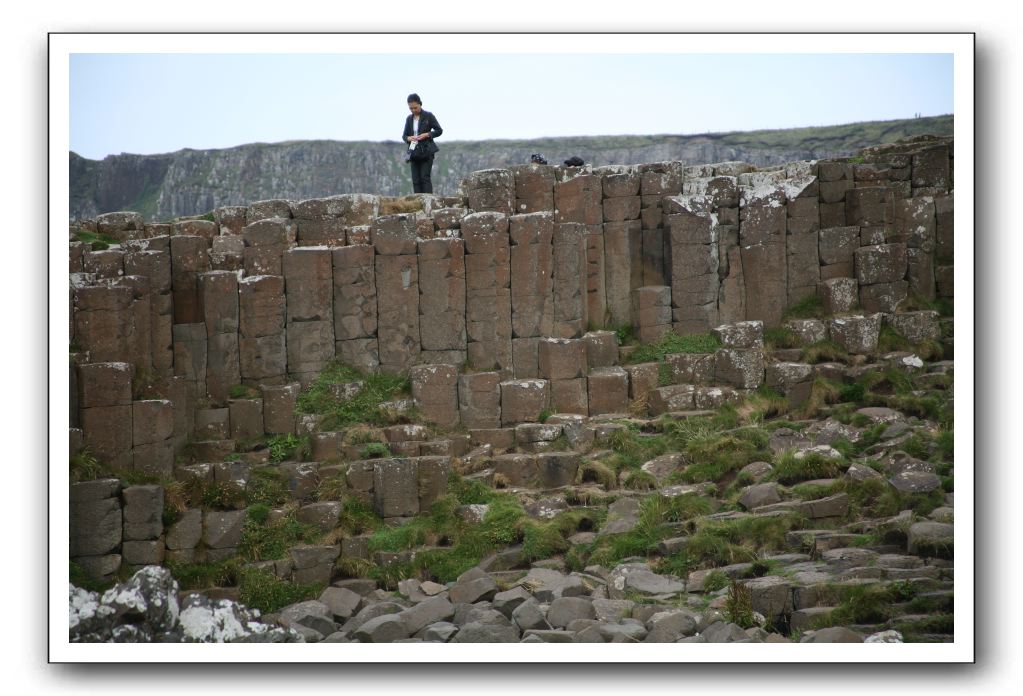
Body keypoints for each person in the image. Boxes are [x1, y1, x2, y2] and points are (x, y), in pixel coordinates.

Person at [402, 93, 443, 194]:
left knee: (425, 177)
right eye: (411, 108)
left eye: (415, 107)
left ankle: (428, 202)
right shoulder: (409, 119)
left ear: (420, 104)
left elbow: (439, 130)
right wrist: (408, 138)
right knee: (416, 180)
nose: (413, 110)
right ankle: (417, 203)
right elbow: (404, 136)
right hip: (413, 151)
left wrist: (428, 134)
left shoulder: (428, 116)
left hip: (427, 150)